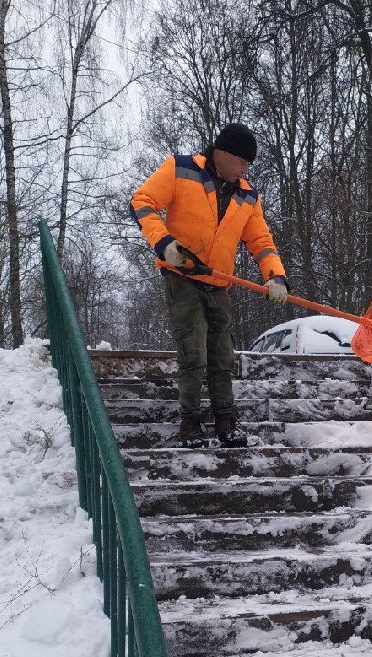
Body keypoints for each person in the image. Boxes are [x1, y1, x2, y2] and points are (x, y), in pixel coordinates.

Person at [130, 122, 289, 448]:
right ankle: (190, 423)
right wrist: (164, 244)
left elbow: (261, 241)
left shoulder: (247, 196)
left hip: (219, 283)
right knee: (194, 352)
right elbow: (142, 201)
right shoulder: (181, 169)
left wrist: (275, 276)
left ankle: (225, 420)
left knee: (221, 355)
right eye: (243, 162)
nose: (246, 169)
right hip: (183, 277)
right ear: (224, 153)